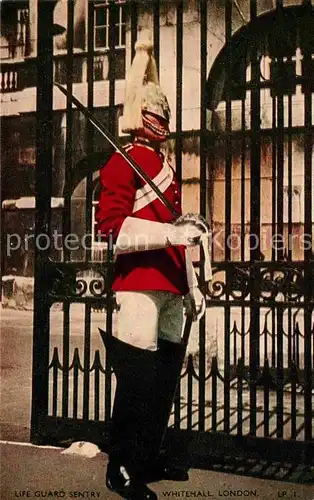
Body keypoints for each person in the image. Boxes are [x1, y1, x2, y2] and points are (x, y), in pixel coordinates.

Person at [96, 33, 206, 500]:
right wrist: (169, 235)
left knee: (162, 384)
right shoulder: (120, 164)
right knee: (137, 380)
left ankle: (146, 454)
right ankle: (120, 466)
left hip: (170, 284)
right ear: (138, 117)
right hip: (138, 284)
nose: (160, 119)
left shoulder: (166, 169)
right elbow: (113, 231)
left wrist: (192, 282)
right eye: (153, 112)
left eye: (163, 114)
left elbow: (178, 234)